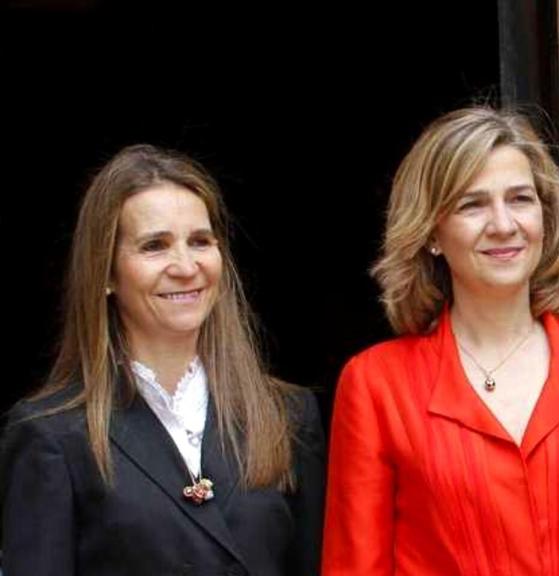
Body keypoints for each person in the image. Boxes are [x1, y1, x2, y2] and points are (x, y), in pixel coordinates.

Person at [322, 107, 559, 575]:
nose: (503, 224)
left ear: (544, 215)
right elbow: (355, 566)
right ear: (432, 231)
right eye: (472, 205)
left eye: (520, 199)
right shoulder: (376, 385)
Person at [0, 144, 325, 576]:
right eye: (155, 246)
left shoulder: (289, 416)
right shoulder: (49, 434)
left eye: (200, 241)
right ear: (107, 274)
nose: (185, 265)